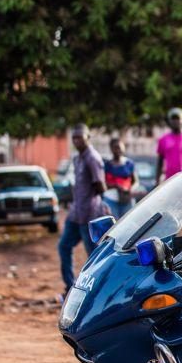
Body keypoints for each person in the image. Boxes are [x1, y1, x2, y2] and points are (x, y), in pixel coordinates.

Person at [58, 124, 107, 293]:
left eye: (80, 137)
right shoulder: (77, 158)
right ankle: (70, 286)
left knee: (93, 257)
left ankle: (98, 290)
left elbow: (101, 186)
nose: (77, 140)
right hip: (75, 213)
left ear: (88, 137)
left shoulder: (92, 158)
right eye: (74, 137)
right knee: (64, 246)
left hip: (89, 215)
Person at [103, 137, 137, 219]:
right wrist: (116, 186)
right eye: (115, 148)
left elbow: (135, 181)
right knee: (113, 225)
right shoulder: (107, 165)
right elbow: (103, 184)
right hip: (111, 200)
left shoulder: (129, 163)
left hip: (126, 199)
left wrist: (129, 189)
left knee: (128, 223)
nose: (118, 150)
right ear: (111, 149)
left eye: (120, 147)